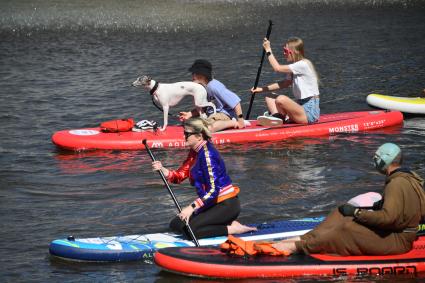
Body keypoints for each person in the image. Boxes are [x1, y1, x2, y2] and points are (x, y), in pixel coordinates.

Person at [271, 143, 425, 256]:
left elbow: (389, 218)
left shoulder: (396, 184)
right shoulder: (407, 179)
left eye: (376, 158)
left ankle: (299, 246)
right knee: (342, 212)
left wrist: (357, 213)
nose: (375, 161)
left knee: (347, 228)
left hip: (398, 241)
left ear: (385, 160)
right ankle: (305, 238)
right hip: (395, 233)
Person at [151, 117, 256, 239]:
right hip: (211, 202)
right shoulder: (195, 152)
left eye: (187, 134)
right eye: (184, 133)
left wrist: (191, 207)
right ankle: (222, 224)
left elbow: (213, 190)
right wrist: (163, 170)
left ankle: (233, 228)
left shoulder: (208, 155)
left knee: (190, 232)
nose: (184, 136)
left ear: (199, 136)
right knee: (176, 224)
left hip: (226, 204)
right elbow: (179, 176)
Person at [251, 37, 320, 126]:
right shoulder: (294, 67)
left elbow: (277, 68)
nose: (284, 53)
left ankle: (277, 118)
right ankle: (278, 117)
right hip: (300, 107)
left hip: (309, 113)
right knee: (269, 96)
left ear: (294, 52)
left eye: (285, 51)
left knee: (281, 99)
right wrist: (261, 89)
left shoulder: (303, 64)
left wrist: (268, 50)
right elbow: (284, 83)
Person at [179, 59, 247, 132]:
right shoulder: (202, 88)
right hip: (212, 115)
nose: (192, 76)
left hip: (223, 115)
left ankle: (232, 123)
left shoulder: (214, 86)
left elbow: (236, 102)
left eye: (194, 73)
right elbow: (205, 107)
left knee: (208, 128)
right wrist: (190, 114)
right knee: (188, 124)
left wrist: (240, 121)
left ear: (202, 75)